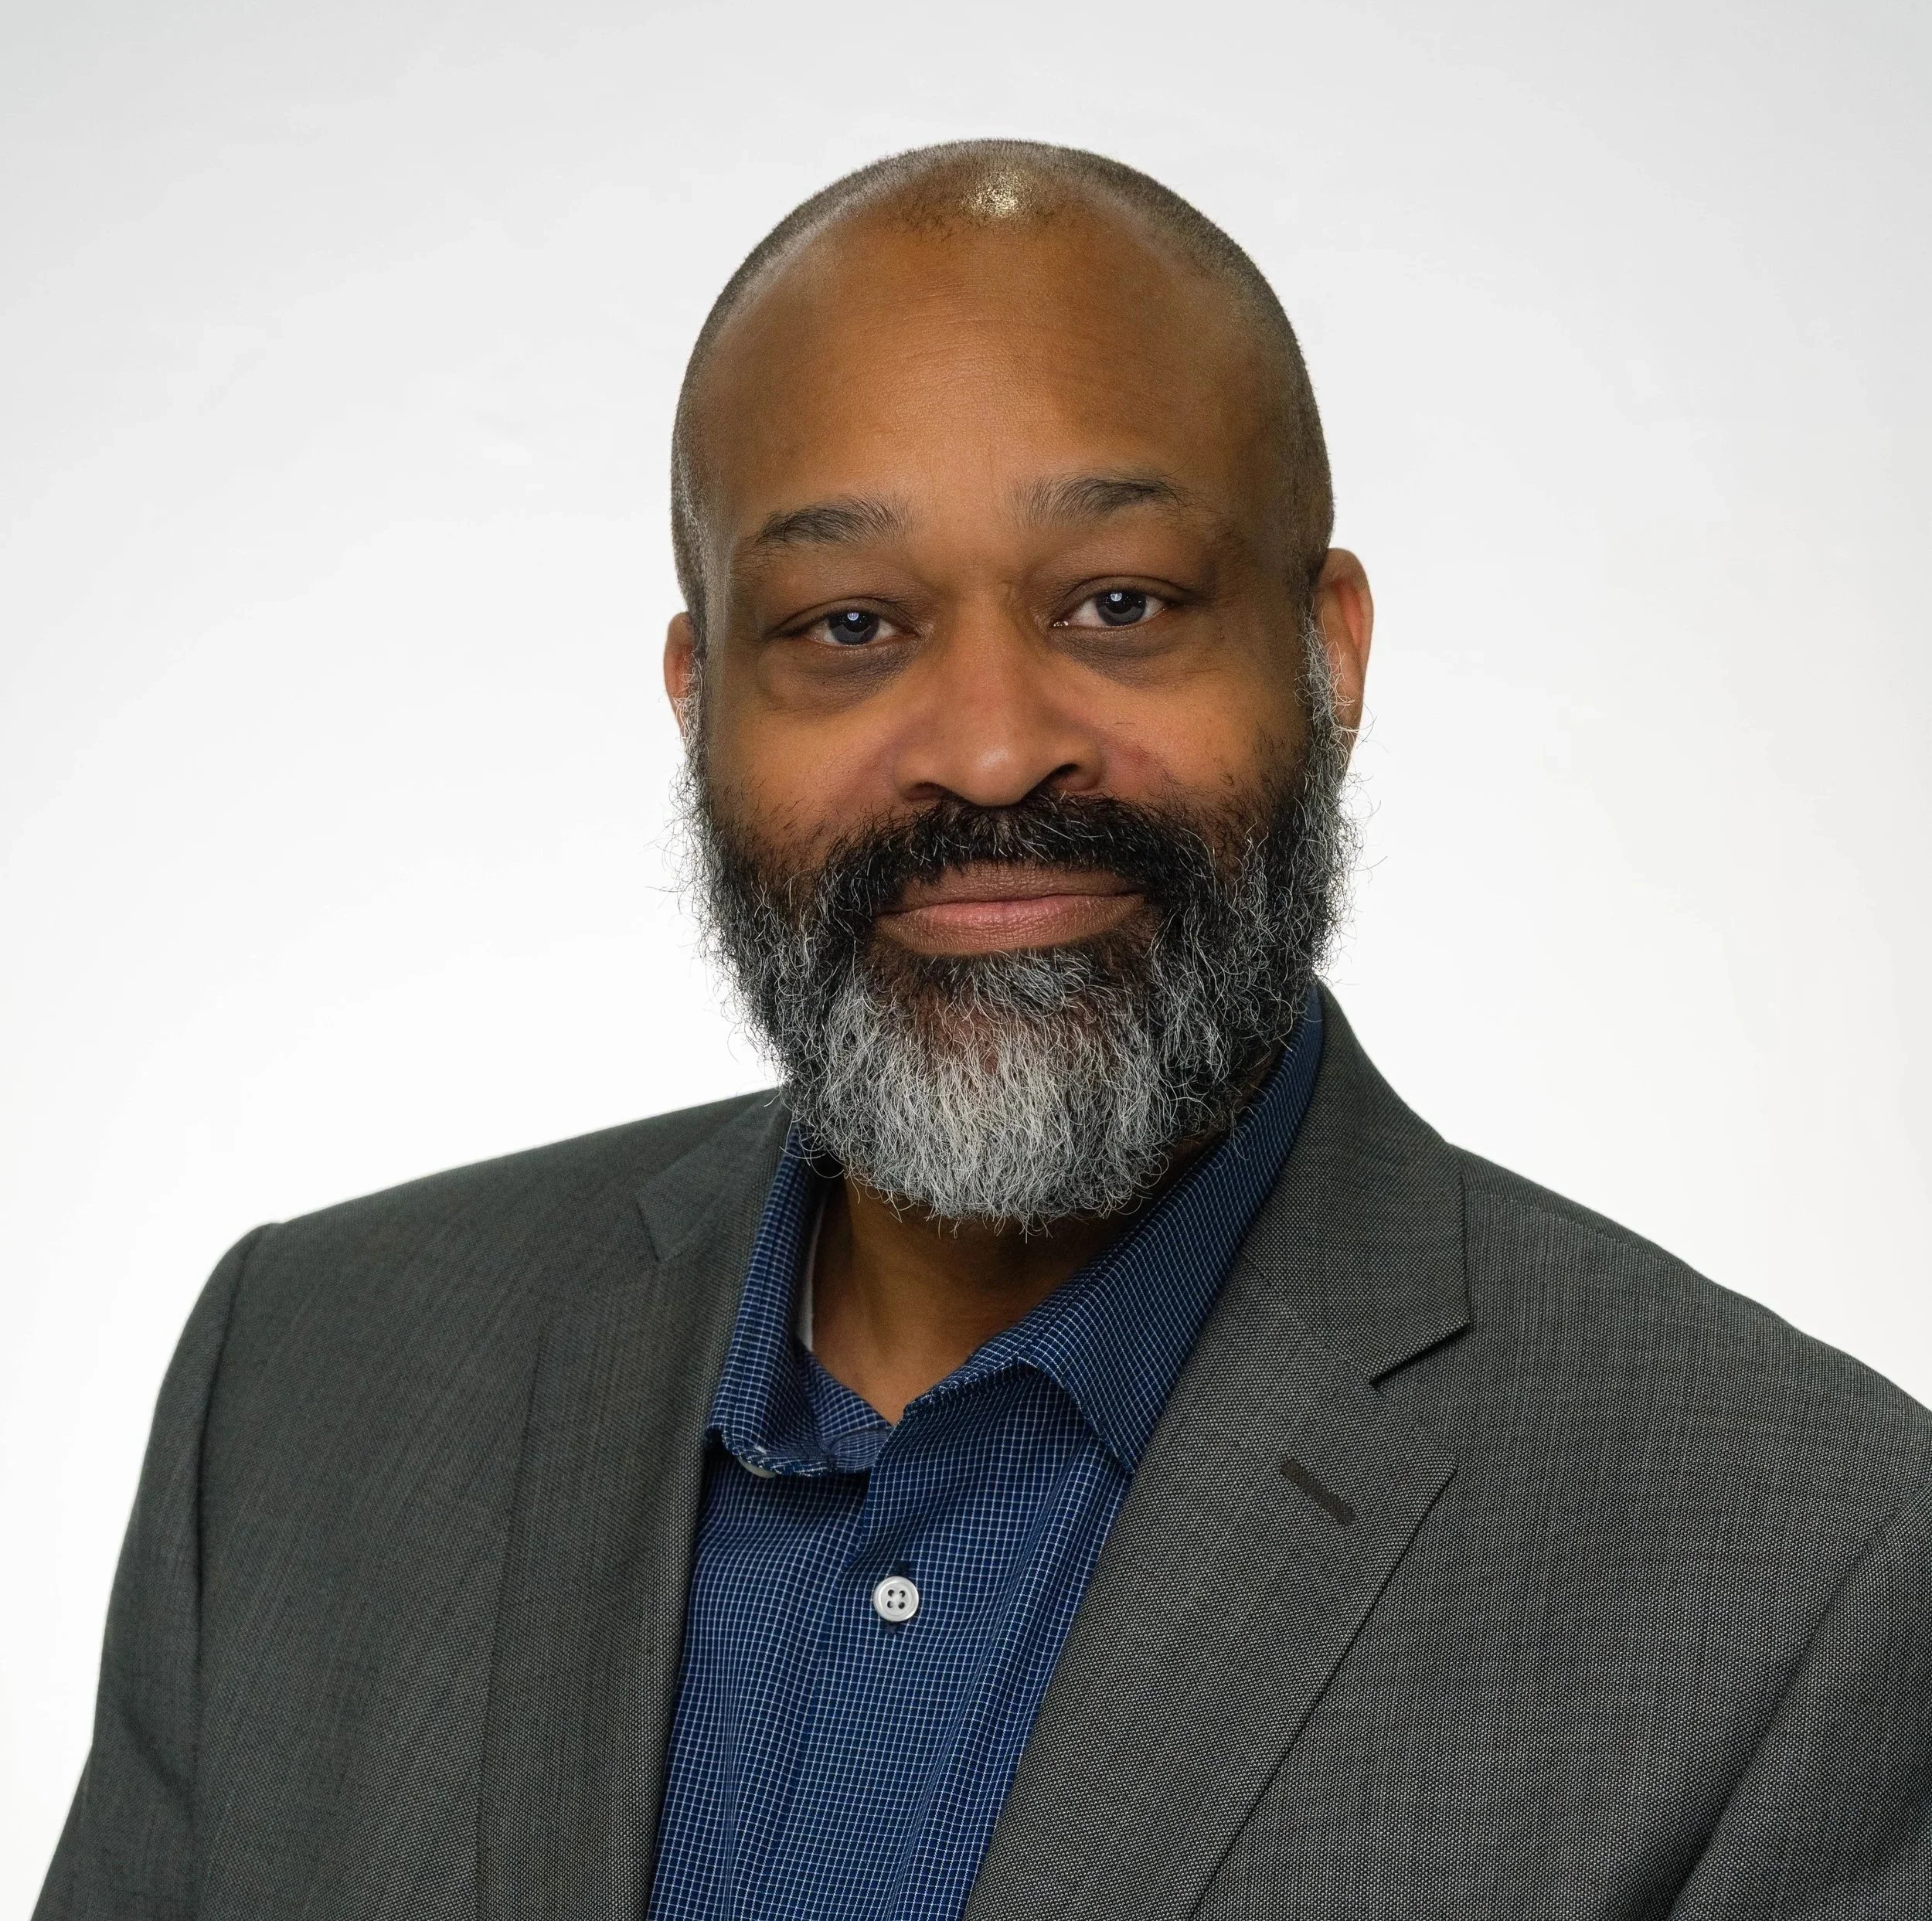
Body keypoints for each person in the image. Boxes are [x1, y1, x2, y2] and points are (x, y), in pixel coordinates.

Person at [37, 140, 1930, 1921]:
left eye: (1119, 601)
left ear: (1324, 654)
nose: (988, 742)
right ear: (699, 697)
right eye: (847, 625)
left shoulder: (1797, 1564)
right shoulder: (306, 1390)